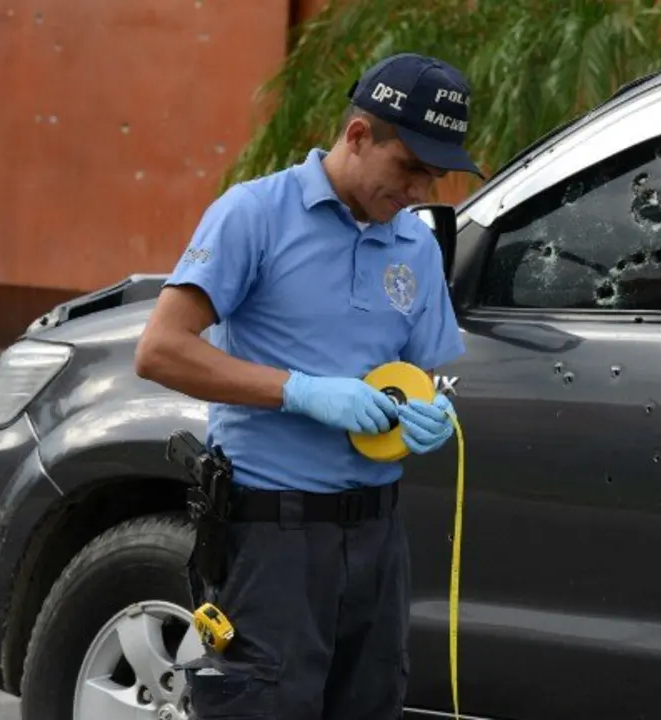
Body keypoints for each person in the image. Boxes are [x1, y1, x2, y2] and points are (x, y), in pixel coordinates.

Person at [134, 52, 482, 720]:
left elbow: (428, 373)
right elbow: (160, 351)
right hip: (272, 535)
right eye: (408, 167)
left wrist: (436, 409)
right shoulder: (254, 216)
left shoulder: (414, 246)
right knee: (266, 704)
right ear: (357, 136)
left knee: (371, 703)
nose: (419, 191)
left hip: (377, 539)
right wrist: (300, 391)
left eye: (434, 176)